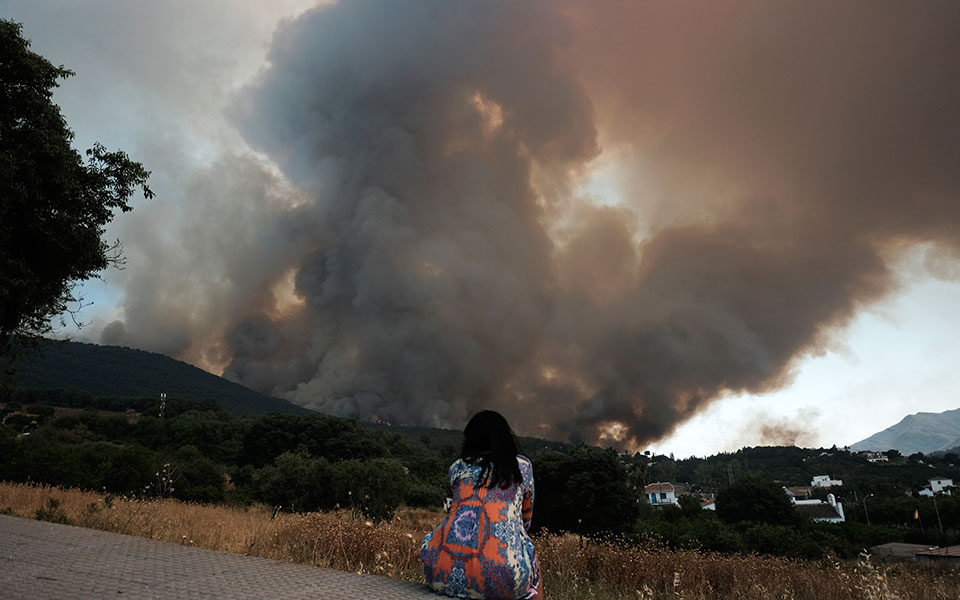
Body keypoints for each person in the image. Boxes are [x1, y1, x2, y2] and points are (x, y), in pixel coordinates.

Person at [420, 410, 542, 599]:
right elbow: (526, 521)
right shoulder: (522, 468)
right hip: (501, 580)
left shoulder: (457, 467)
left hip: (439, 572)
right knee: (531, 555)